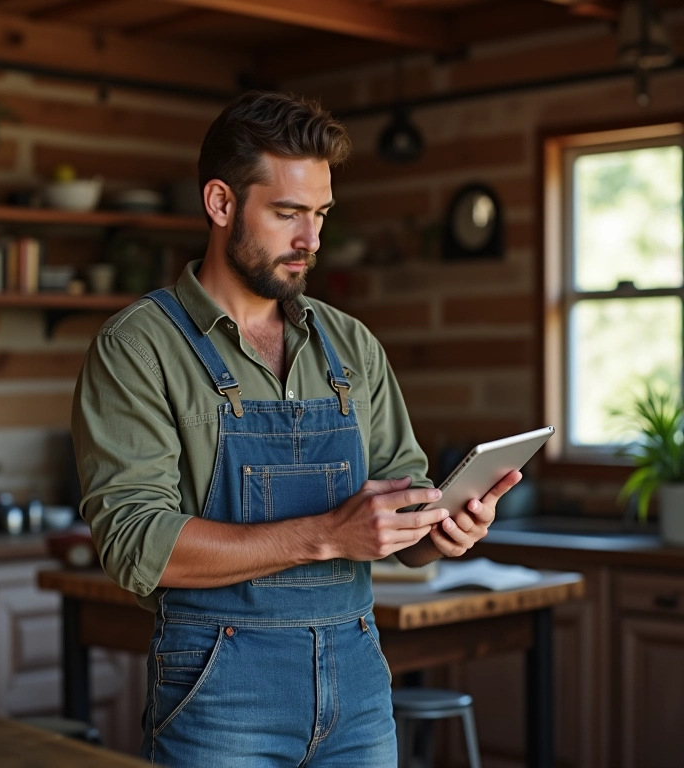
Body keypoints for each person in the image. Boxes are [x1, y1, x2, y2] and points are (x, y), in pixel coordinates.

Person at [72, 90, 521, 767]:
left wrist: (444, 531)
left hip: (359, 683)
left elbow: (404, 529)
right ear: (221, 204)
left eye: (319, 215)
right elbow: (137, 544)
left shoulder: (351, 345)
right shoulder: (139, 347)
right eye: (287, 214)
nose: (310, 240)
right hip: (219, 690)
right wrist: (326, 535)